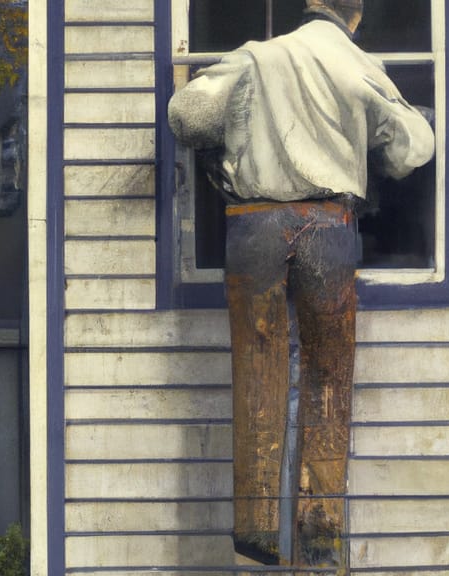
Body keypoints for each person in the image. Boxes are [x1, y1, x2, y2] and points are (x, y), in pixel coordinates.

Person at [168, 0, 434, 567]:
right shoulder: (359, 66)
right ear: (354, 16)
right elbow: (413, 149)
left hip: (254, 225)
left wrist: (238, 132)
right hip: (329, 229)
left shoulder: (256, 59)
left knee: (257, 366)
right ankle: (319, 534)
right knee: (328, 376)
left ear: (307, 7)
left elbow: (188, 117)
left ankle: (256, 533)